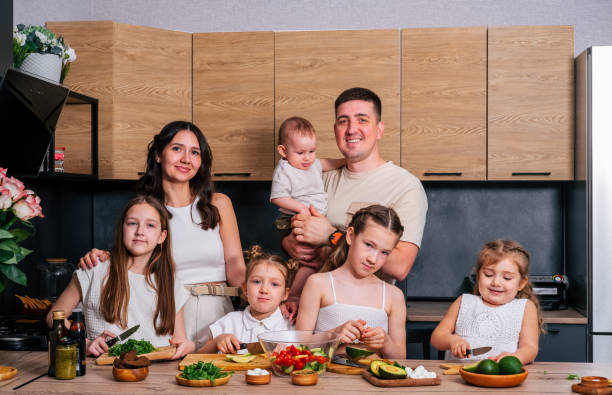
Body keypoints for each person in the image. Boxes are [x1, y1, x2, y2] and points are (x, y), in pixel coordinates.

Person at [78, 121, 246, 349]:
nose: (186, 159)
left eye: (195, 152)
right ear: (158, 154)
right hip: (165, 313)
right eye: (177, 149)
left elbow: (235, 263)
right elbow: (129, 264)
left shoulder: (219, 204)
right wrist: (99, 259)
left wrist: (261, 292)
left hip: (219, 311)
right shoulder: (146, 212)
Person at [282, 87, 428, 320]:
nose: (351, 129)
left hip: (363, 317)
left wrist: (331, 236)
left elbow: (400, 266)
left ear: (379, 129)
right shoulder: (318, 177)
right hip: (307, 312)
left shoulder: (405, 186)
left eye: (362, 120)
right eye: (343, 121)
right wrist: (290, 241)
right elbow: (293, 234)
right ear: (335, 130)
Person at [47, 195, 194, 358]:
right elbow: (53, 318)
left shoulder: (170, 282)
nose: (140, 231)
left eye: (150, 225)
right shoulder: (94, 270)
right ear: (122, 228)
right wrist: (85, 343)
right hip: (103, 372)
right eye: (132, 223)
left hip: (159, 372)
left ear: (162, 236)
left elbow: (180, 340)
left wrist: (188, 346)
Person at [296, 205, 407, 359]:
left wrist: (386, 342)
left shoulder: (394, 295)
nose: (373, 259)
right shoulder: (318, 284)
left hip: (372, 380)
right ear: (350, 236)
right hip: (327, 379)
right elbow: (299, 346)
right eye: (369, 245)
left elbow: (400, 357)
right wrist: (334, 335)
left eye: (384, 252)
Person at [430, 240, 543, 364]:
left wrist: (515, 357)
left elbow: (530, 348)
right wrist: (453, 341)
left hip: (501, 377)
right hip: (458, 376)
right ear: (478, 276)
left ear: (521, 283)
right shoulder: (463, 302)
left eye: (507, 278)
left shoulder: (525, 307)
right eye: (489, 275)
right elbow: (437, 337)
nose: (496, 282)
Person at [197, 245, 295, 354]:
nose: (264, 290)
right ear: (245, 288)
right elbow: (198, 355)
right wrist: (216, 343)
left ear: (285, 294)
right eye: (257, 282)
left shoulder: (290, 327)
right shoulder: (229, 322)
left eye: (274, 284)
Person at [270, 116, 344, 234]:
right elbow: (277, 197)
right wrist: (301, 208)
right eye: (300, 153)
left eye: (312, 151)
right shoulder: (284, 170)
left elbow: (327, 163)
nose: (307, 157)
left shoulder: (313, 163)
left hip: (317, 218)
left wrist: (344, 161)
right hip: (295, 218)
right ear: (283, 151)